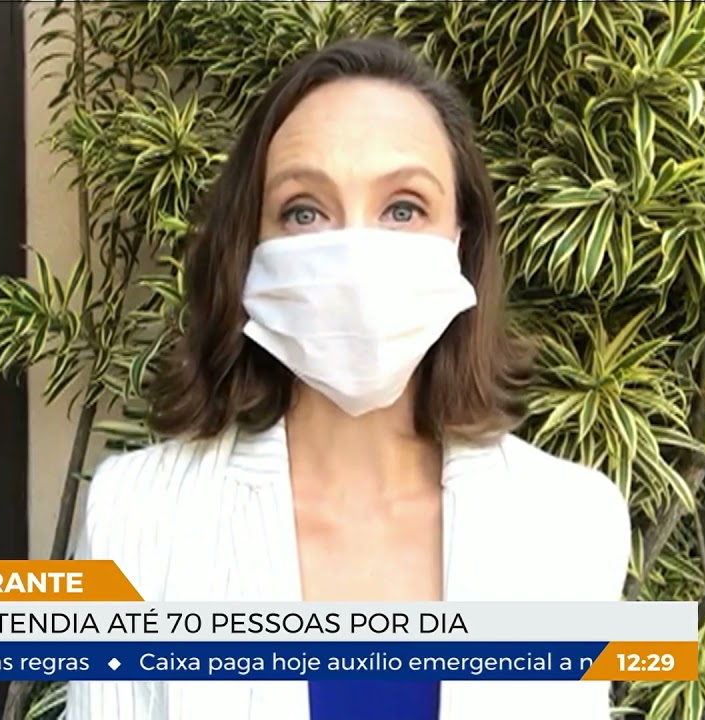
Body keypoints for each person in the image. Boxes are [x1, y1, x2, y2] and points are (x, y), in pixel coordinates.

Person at [66, 37, 631, 720]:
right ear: (250, 248)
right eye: (304, 210)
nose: (355, 253)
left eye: (403, 208)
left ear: (462, 242)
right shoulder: (136, 514)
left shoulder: (573, 522)